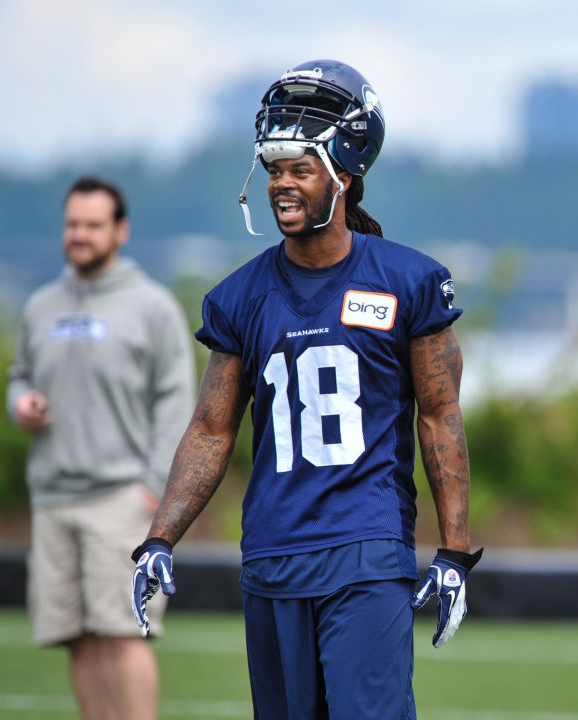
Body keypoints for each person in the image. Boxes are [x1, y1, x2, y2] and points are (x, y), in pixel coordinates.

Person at [129, 59, 481, 719]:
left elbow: (440, 416)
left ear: (344, 177)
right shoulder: (239, 297)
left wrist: (456, 549)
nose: (281, 185)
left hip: (366, 549)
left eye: (300, 169)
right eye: (273, 169)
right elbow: (212, 428)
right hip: (272, 553)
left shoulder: (408, 281)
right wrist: (160, 538)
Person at [8, 176, 195, 720]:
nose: (80, 235)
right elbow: (18, 376)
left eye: (93, 225)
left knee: (123, 634)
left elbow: (178, 404)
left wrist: (151, 492)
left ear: (121, 231)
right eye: (72, 224)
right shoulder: (41, 305)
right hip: (52, 498)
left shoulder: (153, 306)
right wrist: (20, 402)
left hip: (122, 499)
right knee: (78, 638)